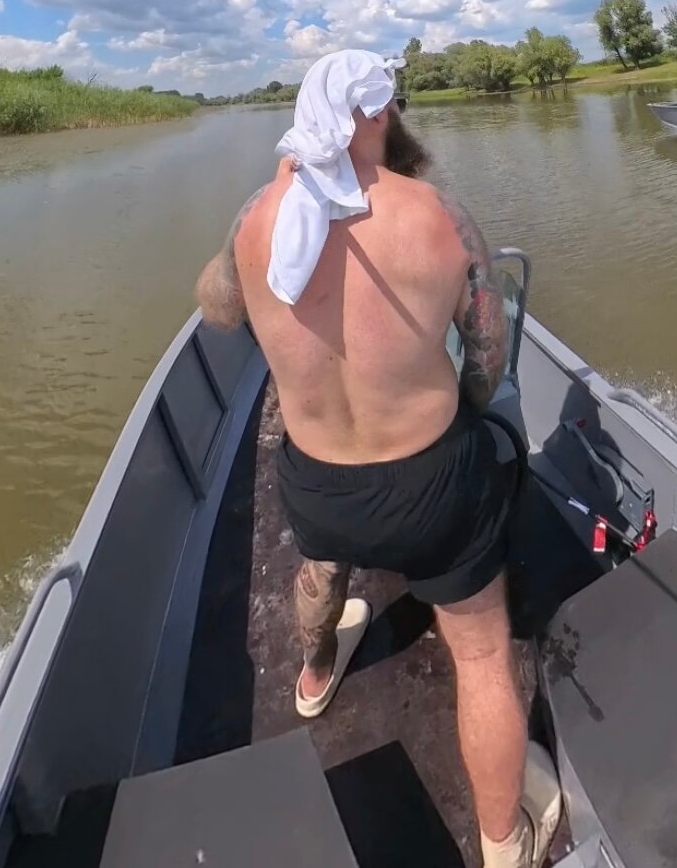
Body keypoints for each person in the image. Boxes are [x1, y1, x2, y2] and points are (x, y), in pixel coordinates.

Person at [195, 48, 561, 868]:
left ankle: (317, 672)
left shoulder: (258, 215)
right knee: (479, 654)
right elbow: (486, 357)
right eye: (387, 106)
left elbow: (218, 310)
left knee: (321, 566)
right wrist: (458, 426)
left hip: (317, 482)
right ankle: (504, 842)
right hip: (434, 490)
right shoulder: (441, 214)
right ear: (372, 113)